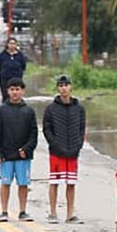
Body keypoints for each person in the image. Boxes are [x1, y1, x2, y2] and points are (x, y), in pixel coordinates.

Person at [0, 78, 37, 222]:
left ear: (22, 91)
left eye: (17, 89)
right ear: (7, 91)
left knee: (23, 183)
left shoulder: (29, 111)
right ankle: (4, 211)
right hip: (6, 154)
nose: (15, 92)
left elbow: (34, 133)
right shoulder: (1, 111)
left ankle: (23, 211)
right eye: (12, 89)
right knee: (6, 183)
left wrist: (27, 149)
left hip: (23, 155)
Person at [42, 75, 86, 224]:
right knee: (54, 181)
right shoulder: (51, 109)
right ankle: (53, 213)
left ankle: (70, 213)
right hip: (56, 151)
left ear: (71, 87)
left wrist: (78, 145)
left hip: (73, 151)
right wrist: (55, 144)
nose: (64, 88)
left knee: (71, 183)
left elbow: (82, 129)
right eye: (61, 85)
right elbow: (47, 129)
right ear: (57, 88)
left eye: (66, 85)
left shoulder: (79, 109)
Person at [0, 37, 28, 102]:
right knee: (6, 96)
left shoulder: (20, 55)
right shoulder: (2, 55)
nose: (12, 45)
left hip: (17, 79)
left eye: (14, 43)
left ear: (16, 45)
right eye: (10, 43)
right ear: (7, 44)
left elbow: (23, 66)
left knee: (16, 97)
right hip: (5, 79)